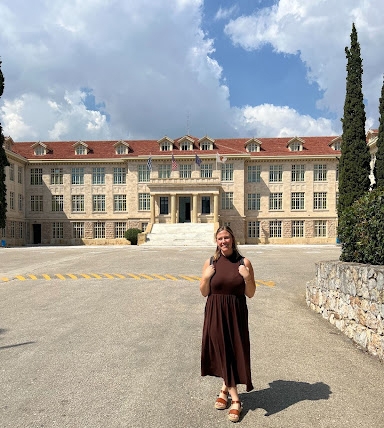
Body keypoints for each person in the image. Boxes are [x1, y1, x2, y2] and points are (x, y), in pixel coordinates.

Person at [200, 225, 256, 423]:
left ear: (232, 239)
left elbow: (250, 293)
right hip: (215, 311)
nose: (223, 241)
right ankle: (236, 400)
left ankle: (224, 389)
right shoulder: (210, 262)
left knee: (233, 350)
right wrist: (206, 277)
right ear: (216, 241)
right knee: (222, 349)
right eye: (220, 238)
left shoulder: (244, 262)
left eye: (226, 238)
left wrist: (247, 277)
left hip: (236, 312)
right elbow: (204, 292)